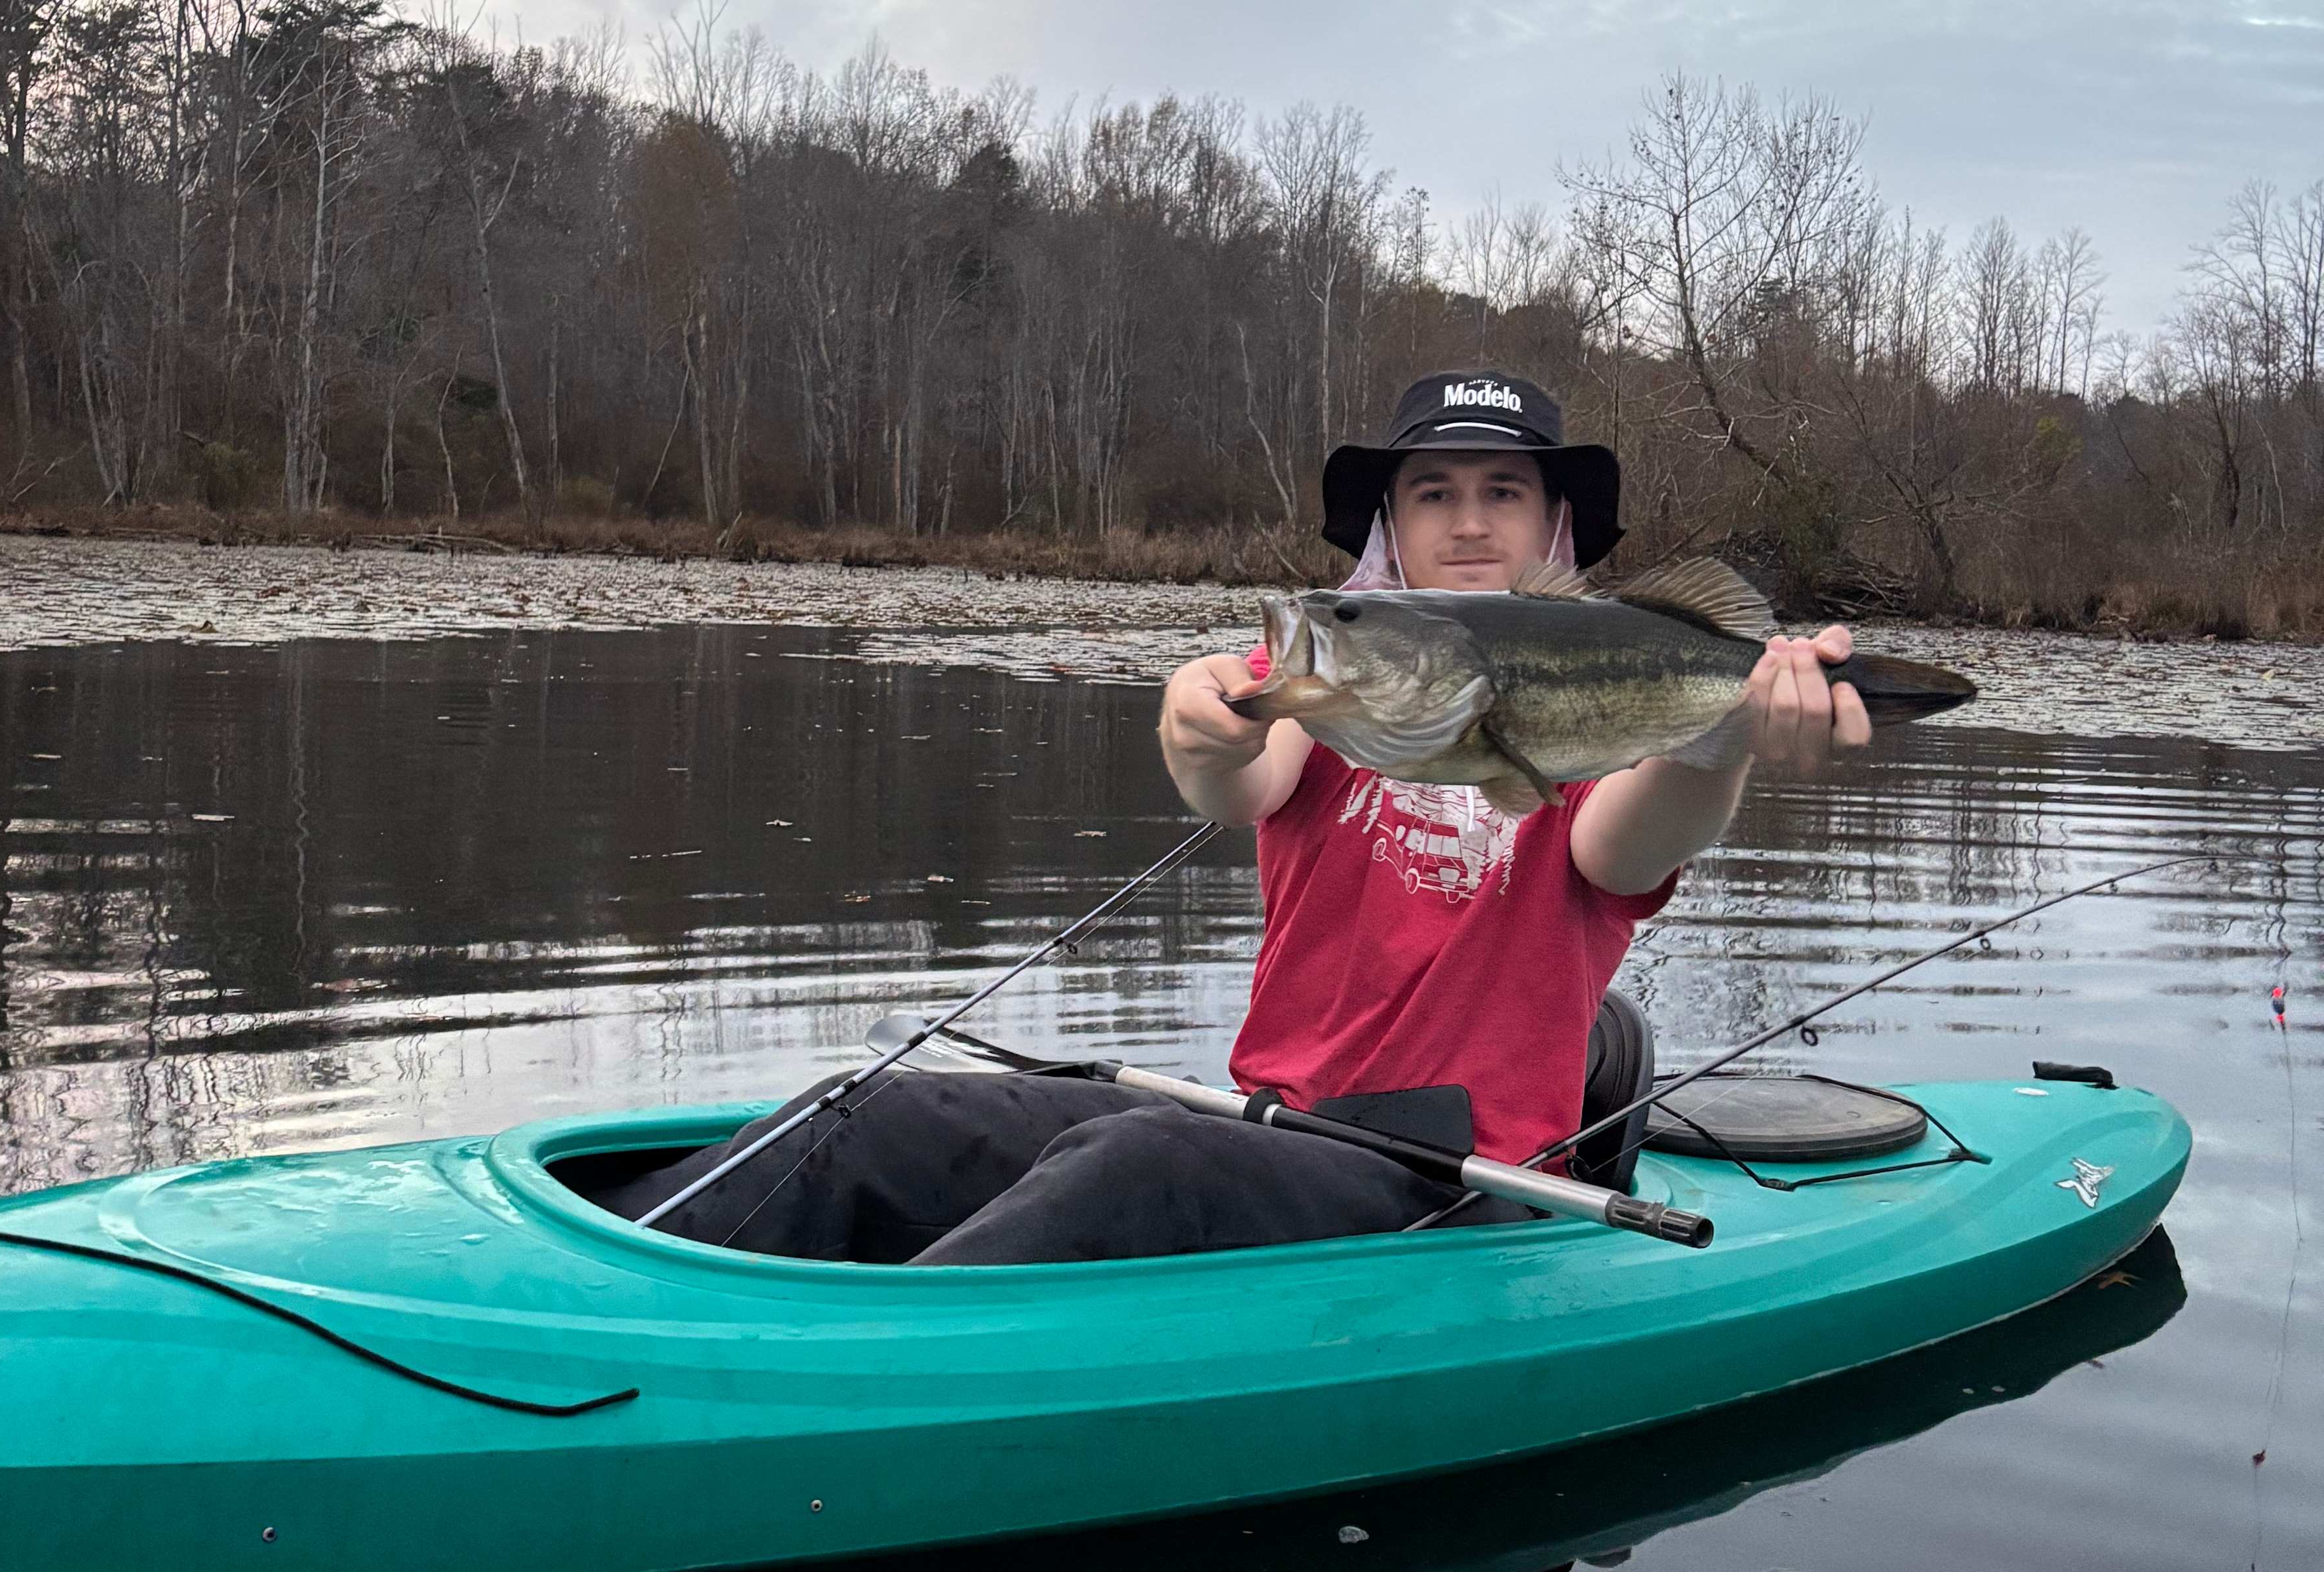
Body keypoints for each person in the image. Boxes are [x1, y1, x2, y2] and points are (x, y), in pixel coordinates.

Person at [623, 372, 1867, 1259]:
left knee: (1136, 1166)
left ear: (1555, 527)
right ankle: (616, 1282)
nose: (1471, 518)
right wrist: (1196, 721)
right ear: (1392, 528)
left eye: (1504, 491)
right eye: (1434, 491)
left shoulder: (1603, 729)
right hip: (1272, 1128)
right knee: (870, 1115)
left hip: (1462, 1183)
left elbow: (1628, 844)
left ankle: (828, 1382)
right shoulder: (1333, 690)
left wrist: (1723, 747)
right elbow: (1235, 775)